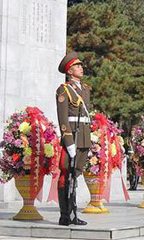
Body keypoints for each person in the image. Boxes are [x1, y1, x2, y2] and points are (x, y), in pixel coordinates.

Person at [55, 51, 91, 226]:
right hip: (73, 138)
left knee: (75, 175)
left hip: (83, 138)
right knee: (66, 175)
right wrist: (68, 142)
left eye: (81, 65)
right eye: (77, 66)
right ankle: (65, 215)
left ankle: (73, 212)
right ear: (69, 71)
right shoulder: (64, 90)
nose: (81, 68)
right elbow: (63, 119)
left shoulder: (85, 89)